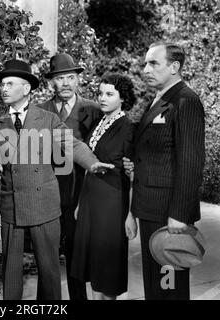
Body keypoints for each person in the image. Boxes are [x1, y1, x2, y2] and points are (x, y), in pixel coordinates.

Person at [0, 59, 114, 300]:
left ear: (25, 89)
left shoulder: (46, 119)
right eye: (2, 84)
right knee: (11, 273)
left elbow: (73, 144)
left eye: (9, 83)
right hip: (10, 206)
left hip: (44, 204)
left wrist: (92, 162)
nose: (3, 89)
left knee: (49, 272)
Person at [123, 42, 205, 300]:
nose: (145, 69)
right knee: (155, 285)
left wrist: (179, 215)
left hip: (170, 213)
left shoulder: (186, 100)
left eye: (153, 63)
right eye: (145, 62)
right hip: (151, 208)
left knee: (168, 286)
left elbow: (191, 161)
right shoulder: (158, 99)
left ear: (174, 66)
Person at [37, 53, 102, 300]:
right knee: (47, 257)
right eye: (60, 78)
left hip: (78, 196)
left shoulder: (93, 111)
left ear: (78, 80)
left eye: (70, 77)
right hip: (47, 194)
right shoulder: (39, 112)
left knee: (77, 258)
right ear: (52, 82)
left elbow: (100, 152)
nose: (65, 83)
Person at [71, 73, 137, 300]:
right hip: (91, 201)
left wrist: (131, 214)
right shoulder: (99, 123)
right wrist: (81, 202)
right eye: (100, 93)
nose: (102, 98)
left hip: (112, 203)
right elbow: (88, 165)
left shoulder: (128, 128)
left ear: (123, 98)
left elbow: (133, 175)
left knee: (108, 270)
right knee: (93, 266)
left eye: (109, 94)